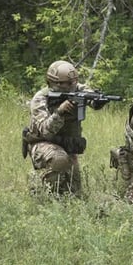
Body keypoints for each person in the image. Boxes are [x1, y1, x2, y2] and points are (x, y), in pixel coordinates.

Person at [24, 60, 109, 198]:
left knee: (75, 195)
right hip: (41, 143)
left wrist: (98, 101)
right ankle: (38, 188)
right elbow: (45, 130)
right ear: (54, 83)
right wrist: (59, 112)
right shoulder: (40, 99)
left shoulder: (77, 88)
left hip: (66, 145)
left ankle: (58, 198)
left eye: (74, 82)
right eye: (68, 84)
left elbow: (89, 95)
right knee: (59, 159)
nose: (72, 86)